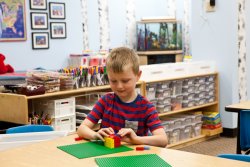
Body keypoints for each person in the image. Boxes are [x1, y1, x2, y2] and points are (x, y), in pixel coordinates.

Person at [77, 47, 168, 147]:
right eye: (113, 81)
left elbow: (163, 140)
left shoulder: (146, 107)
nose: (119, 86)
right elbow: (82, 129)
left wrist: (136, 139)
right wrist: (95, 135)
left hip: (134, 158)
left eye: (125, 81)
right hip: (107, 156)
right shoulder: (105, 101)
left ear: (138, 76)